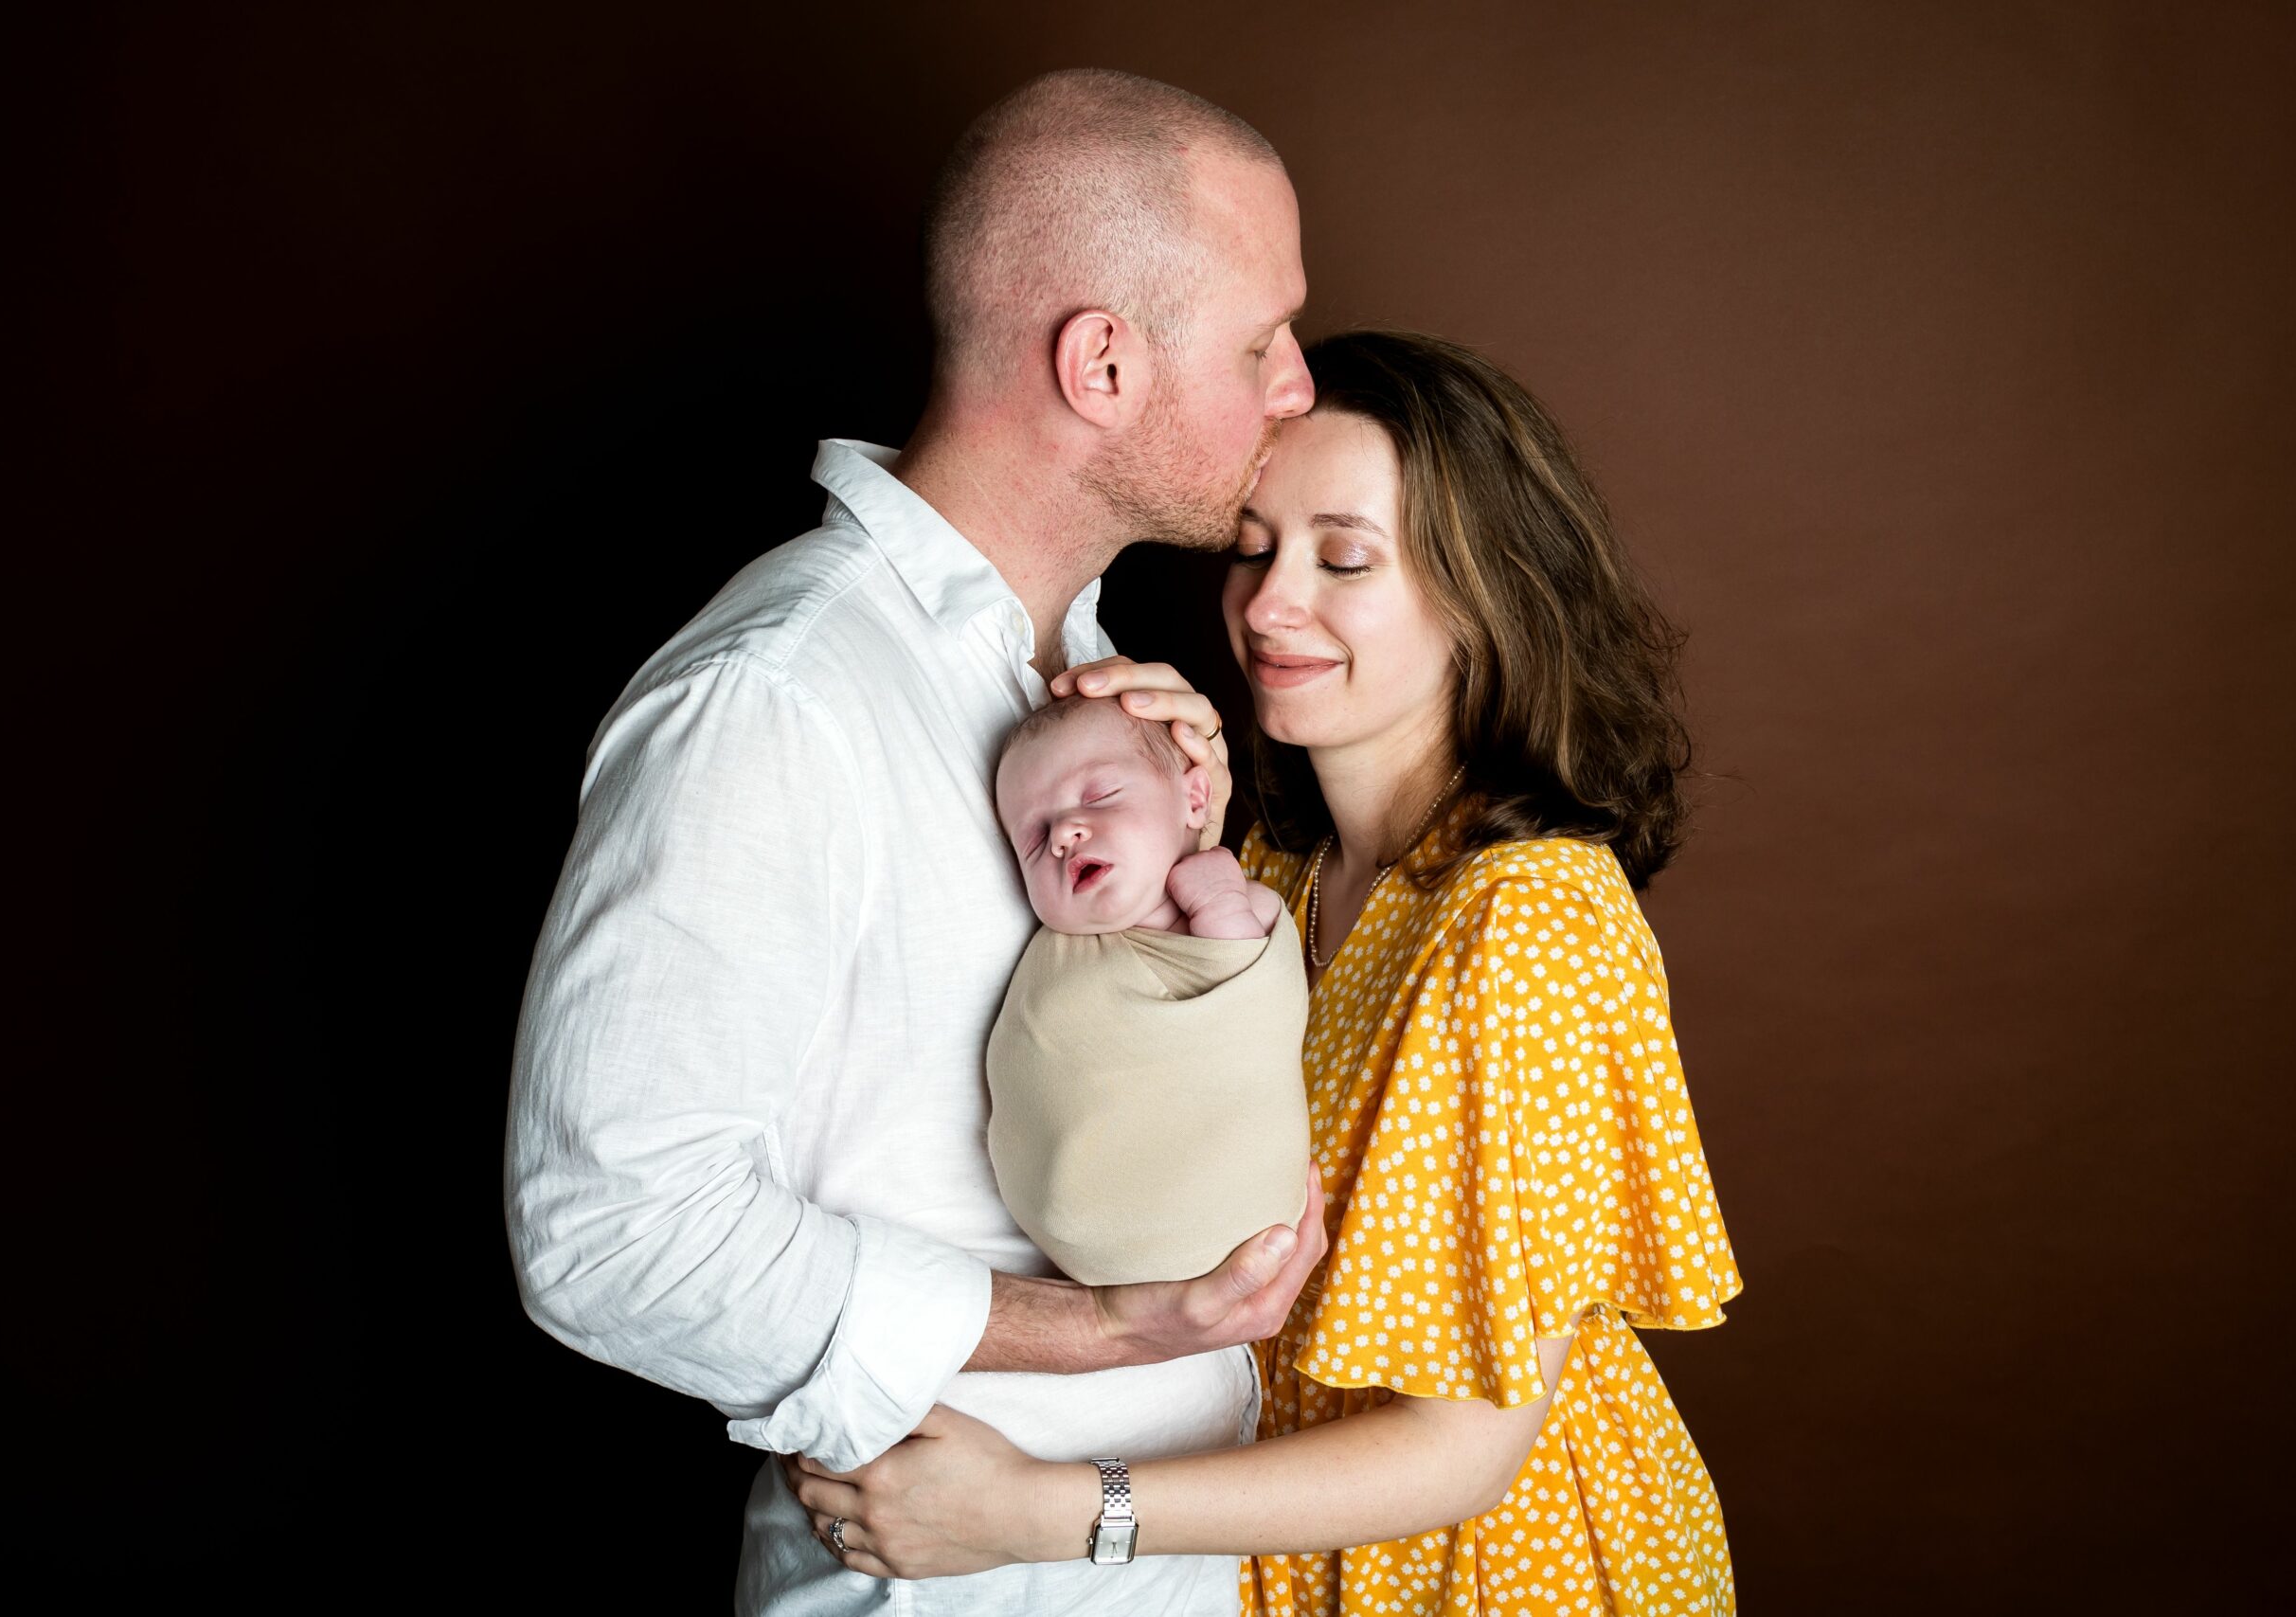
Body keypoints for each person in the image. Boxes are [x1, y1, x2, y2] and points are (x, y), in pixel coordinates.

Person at [503, 69, 1326, 1616]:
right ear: (1101, 362)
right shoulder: (778, 697)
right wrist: (1101, 1330)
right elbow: (609, 1234)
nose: (1296, 385)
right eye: (1259, 343)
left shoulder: (1098, 675)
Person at [780, 331, 1743, 1616]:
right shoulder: (1281, 874)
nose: (1270, 603)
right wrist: (1170, 815)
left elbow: (1468, 1445)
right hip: (1289, 1550)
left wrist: (1044, 1509)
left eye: (1344, 558)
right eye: (1253, 546)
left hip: (1509, 1567)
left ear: (1483, 593)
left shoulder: (1532, 921)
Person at [986, 694, 1310, 1286]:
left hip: (1224, 1208)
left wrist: (1219, 906)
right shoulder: (1061, 954)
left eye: (1099, 796)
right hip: (1081, 1226)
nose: (1064, 832)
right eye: (1033, 837)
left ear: (1193, 798)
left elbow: (1254, 1011)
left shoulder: (1241, 907)